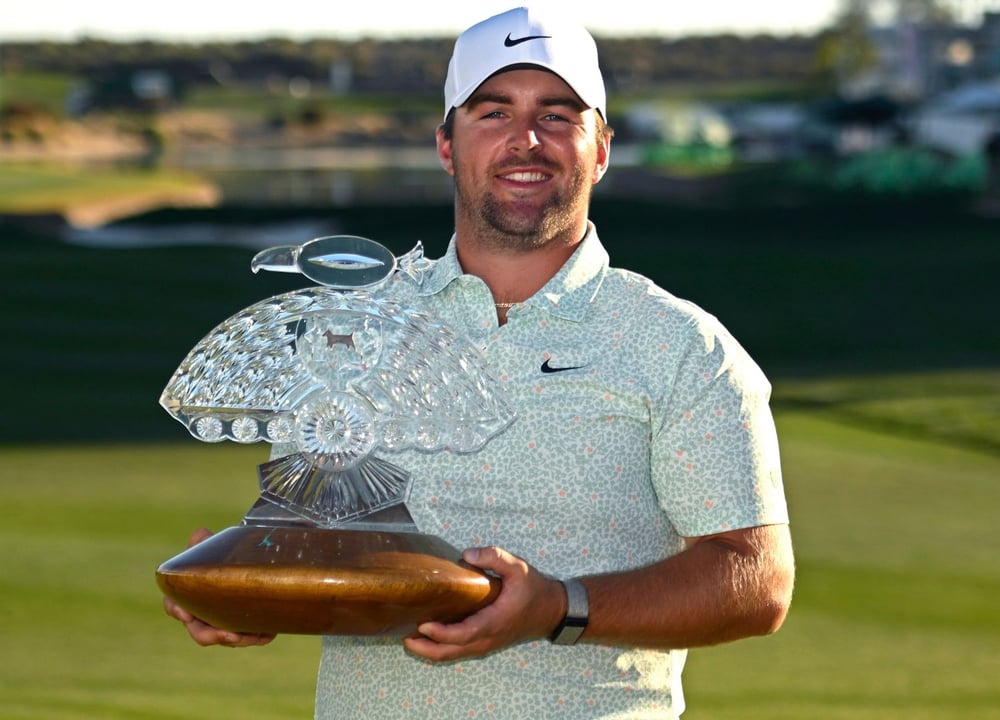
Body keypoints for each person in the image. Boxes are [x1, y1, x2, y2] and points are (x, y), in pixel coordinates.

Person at [164, 6, 794, 718]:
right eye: (493, 113)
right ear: (445, 143)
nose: (526, 140)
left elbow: (755, 579)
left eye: (558, 116)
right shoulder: (352, 324)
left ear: (603, 147)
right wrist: (248, 590)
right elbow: (311, 536)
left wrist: (559, 606)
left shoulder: (681, 345)